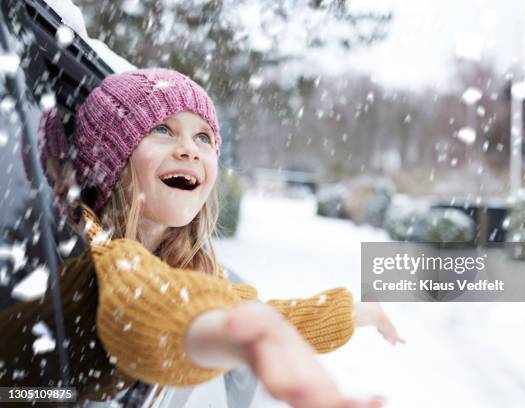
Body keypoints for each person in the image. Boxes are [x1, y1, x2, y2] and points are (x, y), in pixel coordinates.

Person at [4, 68, 403, 407]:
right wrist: (232, 333)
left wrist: (356, 311)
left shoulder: (181, 267)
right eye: (162, 129)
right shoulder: (107, 259)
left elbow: (253, 311)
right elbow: (151, 303)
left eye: (203, 138)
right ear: (113, 161)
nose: (190, 151)